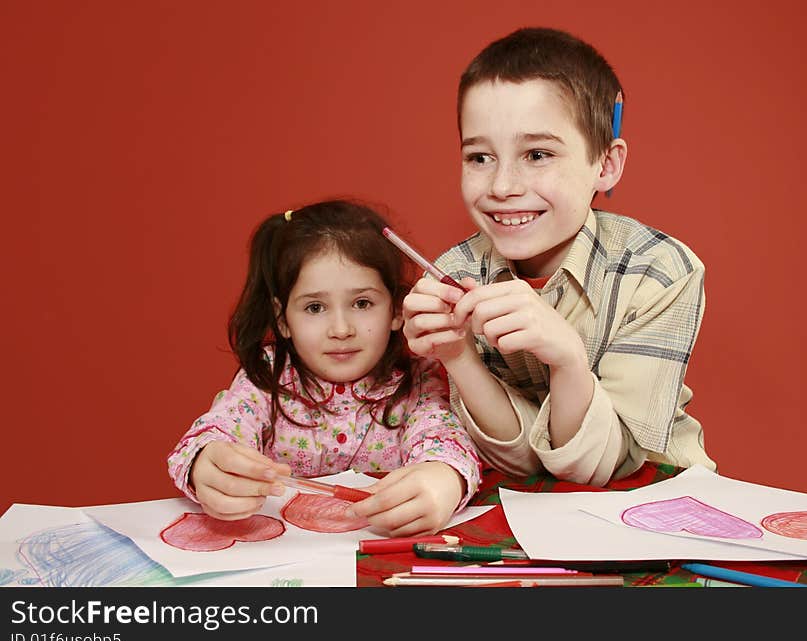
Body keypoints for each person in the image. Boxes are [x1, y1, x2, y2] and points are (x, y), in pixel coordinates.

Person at [402, 27, 717, 486]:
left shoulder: (660, 271)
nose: (502, 186)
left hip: (657, 501)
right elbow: (524, 464)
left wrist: (568, 360)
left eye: (537, 154)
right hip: (530, 516)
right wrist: (458, 357)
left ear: (605, 165)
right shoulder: (455, 275)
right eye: (479, 158)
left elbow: (614, 466)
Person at [168, 200, 482, 536]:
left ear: (395, 310)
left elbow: (447, 442)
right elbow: (211, 435)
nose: (341, 329)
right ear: (282, 318)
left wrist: (444, 478)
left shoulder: (419, 381)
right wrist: (207, 464)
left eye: (362, 303)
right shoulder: (266, 380)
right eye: (315, 307)